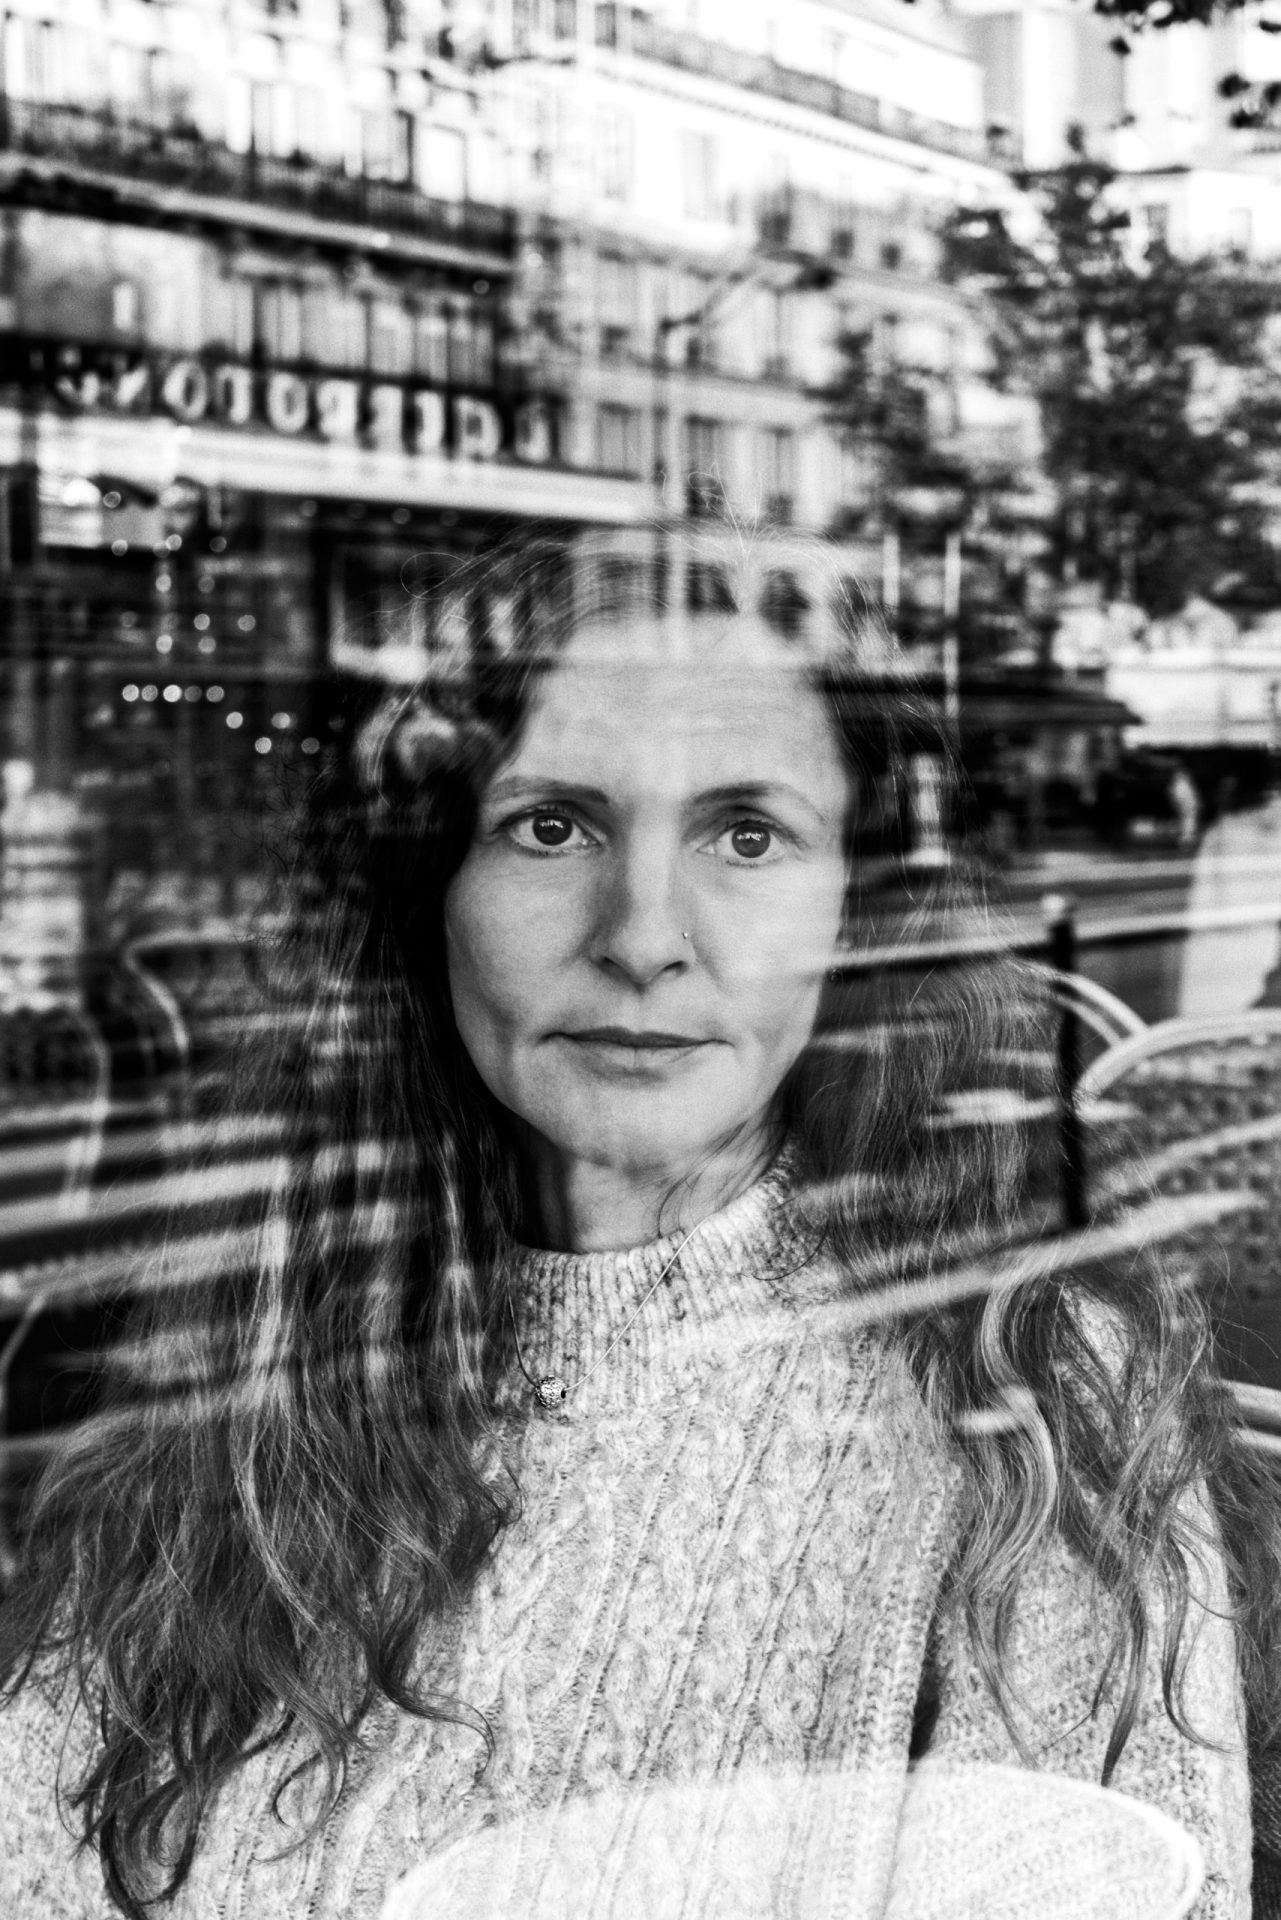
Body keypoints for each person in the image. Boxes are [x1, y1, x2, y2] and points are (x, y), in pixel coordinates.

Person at [0, 537, 1273, 1919]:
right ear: (427, 890)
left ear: (858, 909)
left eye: (747, 834)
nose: (643, 935)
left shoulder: (1026, 1397)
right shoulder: (261, 1342)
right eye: (551, 826)